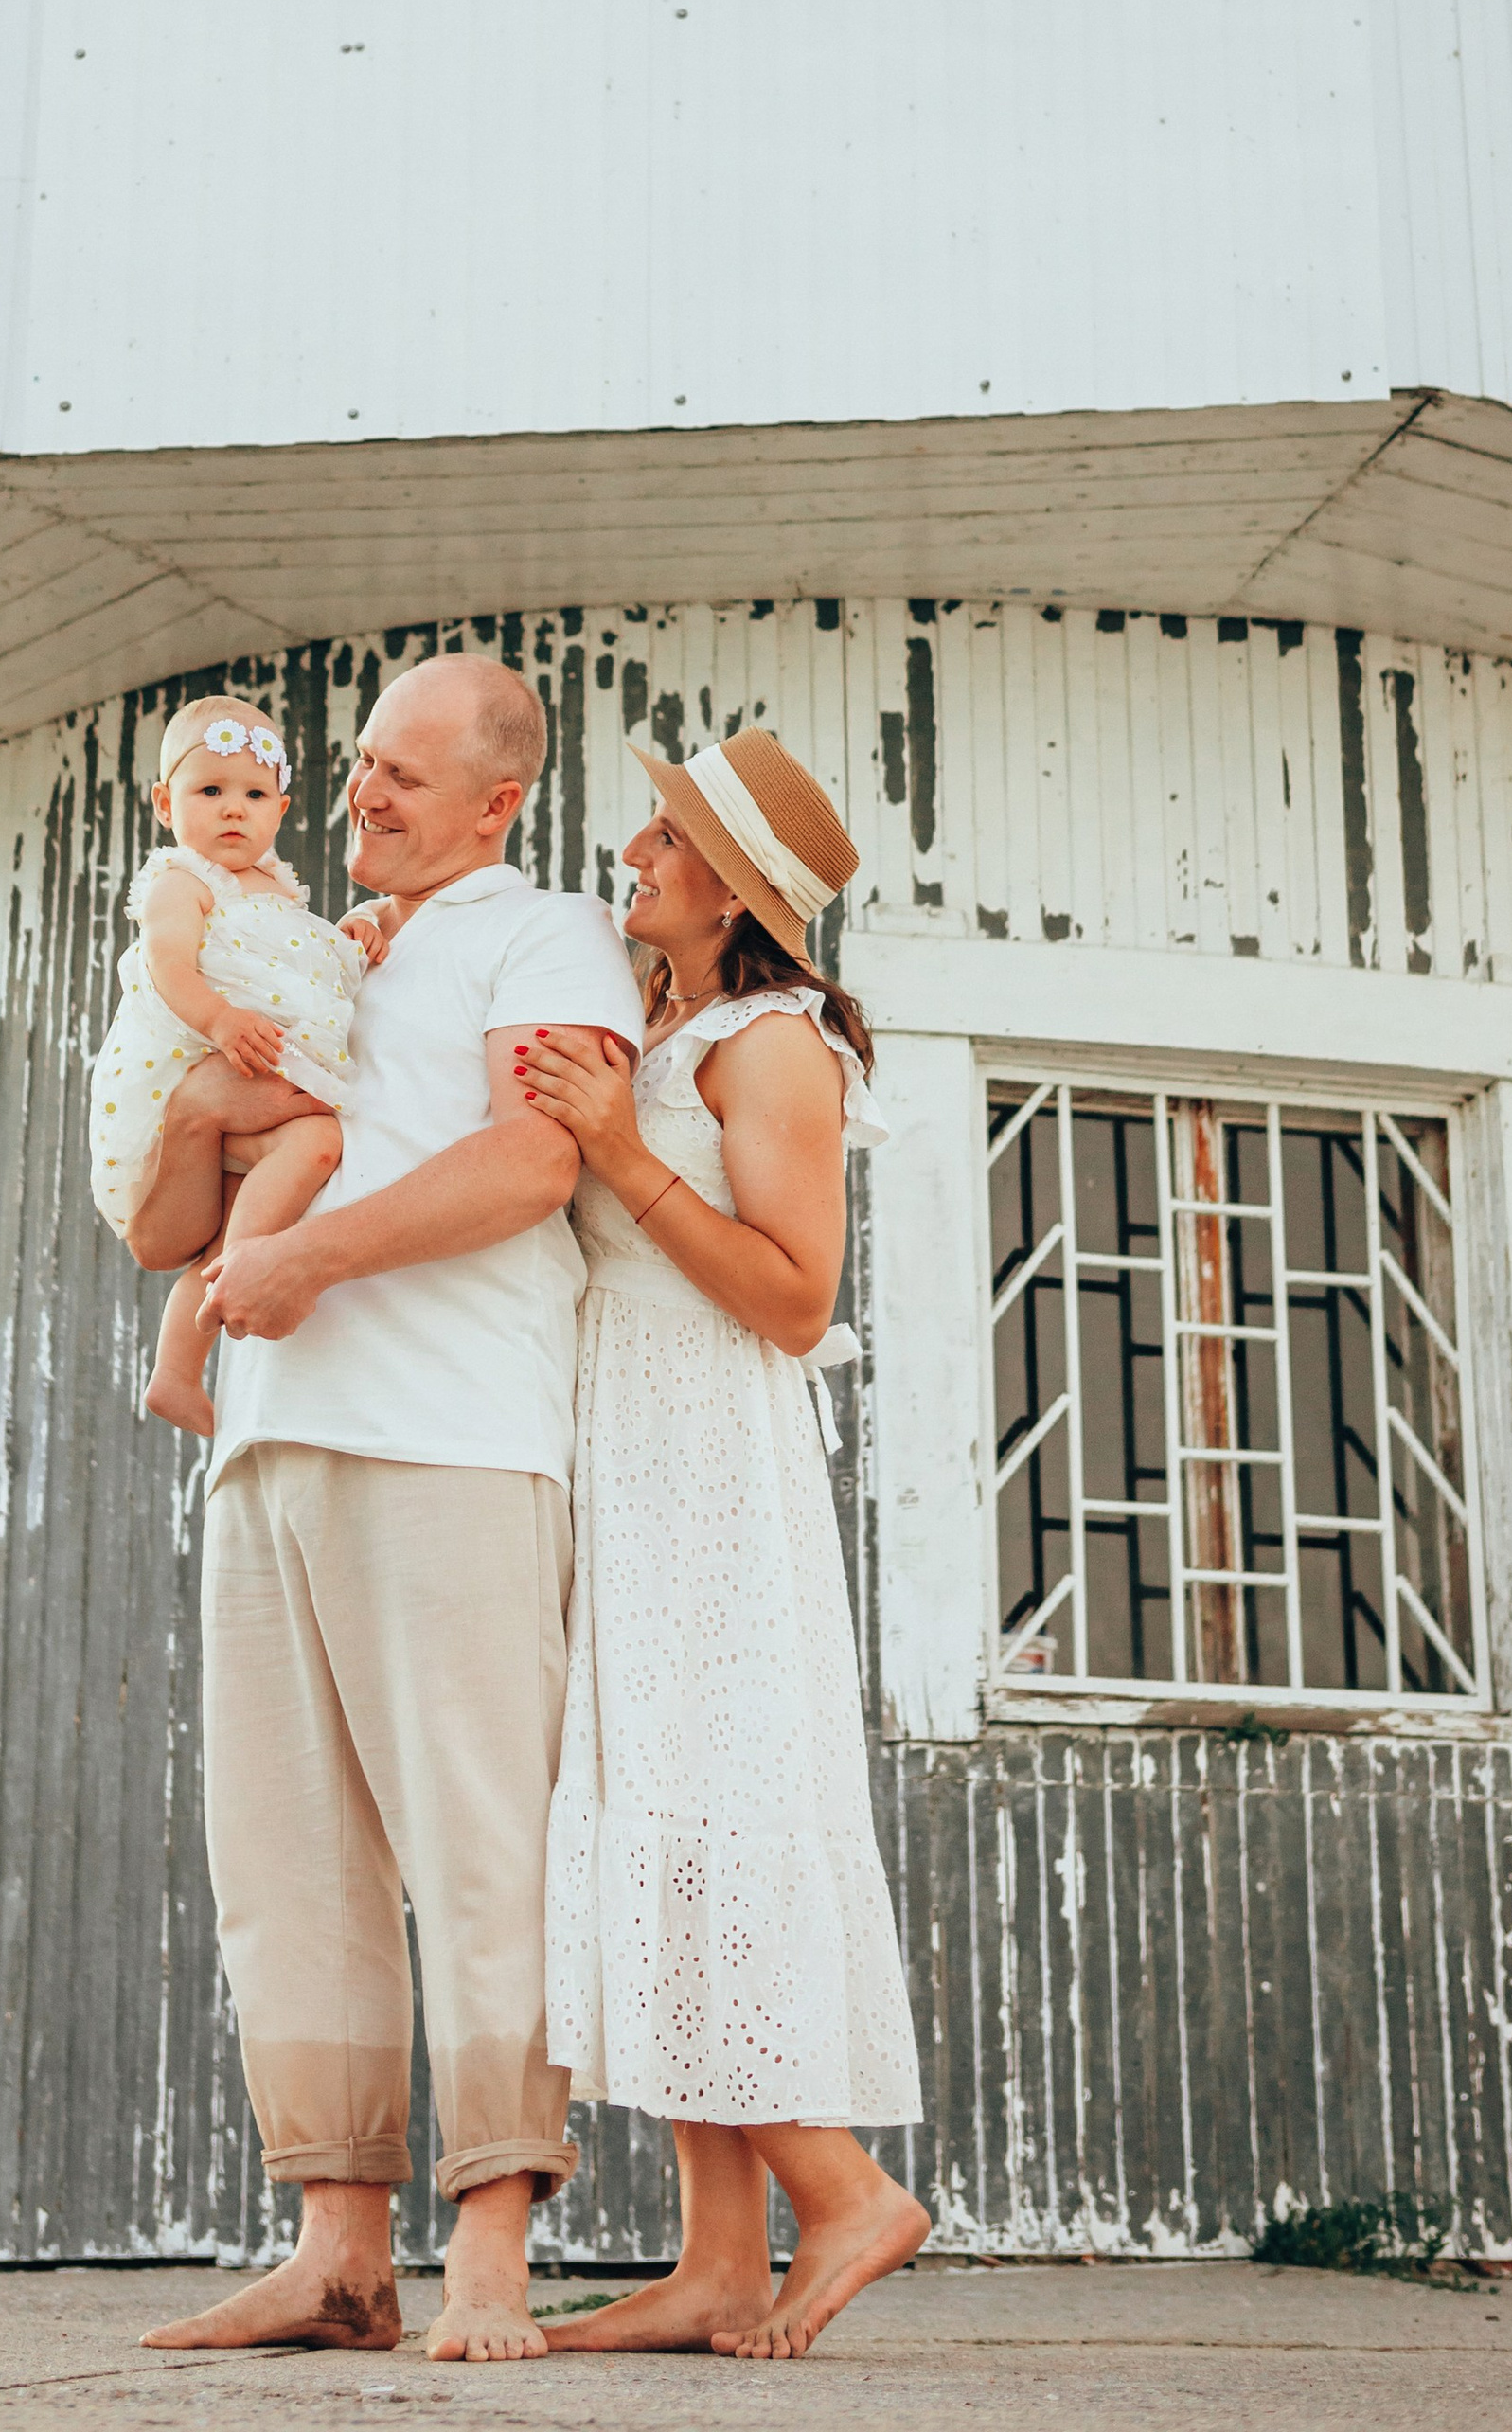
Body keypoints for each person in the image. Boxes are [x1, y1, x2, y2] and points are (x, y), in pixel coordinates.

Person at [114, 652, 645, 2365]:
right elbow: (168, 1228)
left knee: (478, 1839)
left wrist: (305, 1256)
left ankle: (492, 2240)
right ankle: (338, 2247)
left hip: (454, 1435)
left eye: (405, 774)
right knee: (291, 1864)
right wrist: (194, 1125)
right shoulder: (295, 942)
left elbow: (529, 1160)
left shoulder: (541, 929)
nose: (362, 796)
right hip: (267, 1434)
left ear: (498, 797)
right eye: (359, 773)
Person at [515, 725, 929, 2361]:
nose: (633, 844)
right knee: (660, 1817)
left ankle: (845, 2194)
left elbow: (796, 1296)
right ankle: (710, 2264)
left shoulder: (770, 1042)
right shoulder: (665, 1018)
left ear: (730, 887)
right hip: (625, 1445)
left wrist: (620, 1153)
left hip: (709, 1461)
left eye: (667, 834)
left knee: (715, 1801)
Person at [88, 695, 373, 1435]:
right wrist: (217, 1018)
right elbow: (168, 964)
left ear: (281, 807)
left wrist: (358, 934)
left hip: (248, 1077)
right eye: (208, 791)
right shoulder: (181, 881)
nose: (231, 811)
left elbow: (303, 966)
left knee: (303, 1154)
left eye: (252, 794)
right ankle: (205, 1326)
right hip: (182, 1073)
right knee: (317, 1137)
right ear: (164, 802)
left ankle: (179, 1367)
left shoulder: (282, 889)